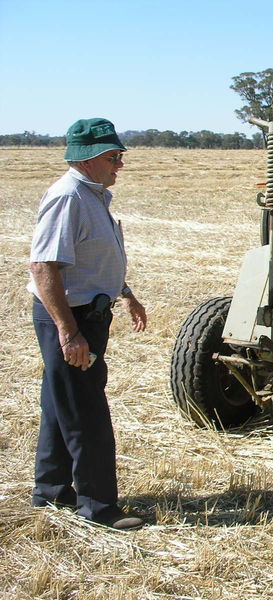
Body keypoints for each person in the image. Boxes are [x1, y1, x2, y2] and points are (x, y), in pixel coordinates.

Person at [28, 118, 147, 530]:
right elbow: (44, 267)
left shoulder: (93, 194)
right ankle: (98, 506)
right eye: (114, 157)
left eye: (120, 156)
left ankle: (51, 490)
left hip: (85, 312)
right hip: (71, 316)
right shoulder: (69, 196)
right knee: (86, 412)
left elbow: (93, 255)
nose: (120, 165)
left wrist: (125, 292)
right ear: (90, 159)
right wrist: (69, 332)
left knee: (60, 403)